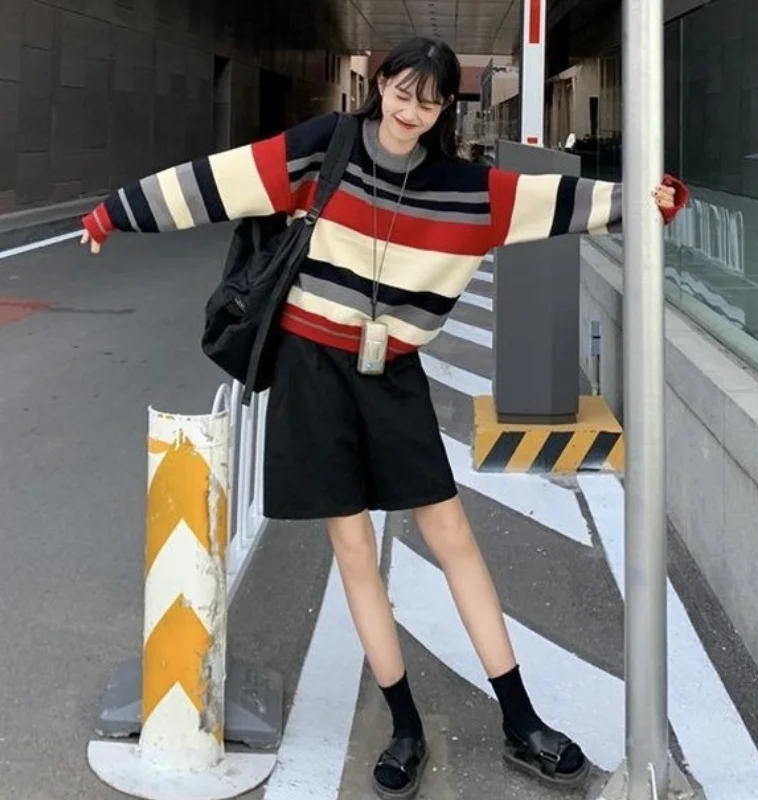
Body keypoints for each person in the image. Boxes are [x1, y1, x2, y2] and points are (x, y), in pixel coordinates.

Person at [81, 37, 685, 800]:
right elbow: (223, 180)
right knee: (353, 547)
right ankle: (405, 726)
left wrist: (642, 199)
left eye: (427, 101)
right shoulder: (325, 147)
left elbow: (555, 202)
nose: (409, 111)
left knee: (452, 533)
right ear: (380, 84)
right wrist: (114, 212)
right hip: (310, 371)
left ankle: (522, 721)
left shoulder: (465, 190)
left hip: (392, 374)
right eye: (401, 92)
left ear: (445, 108)